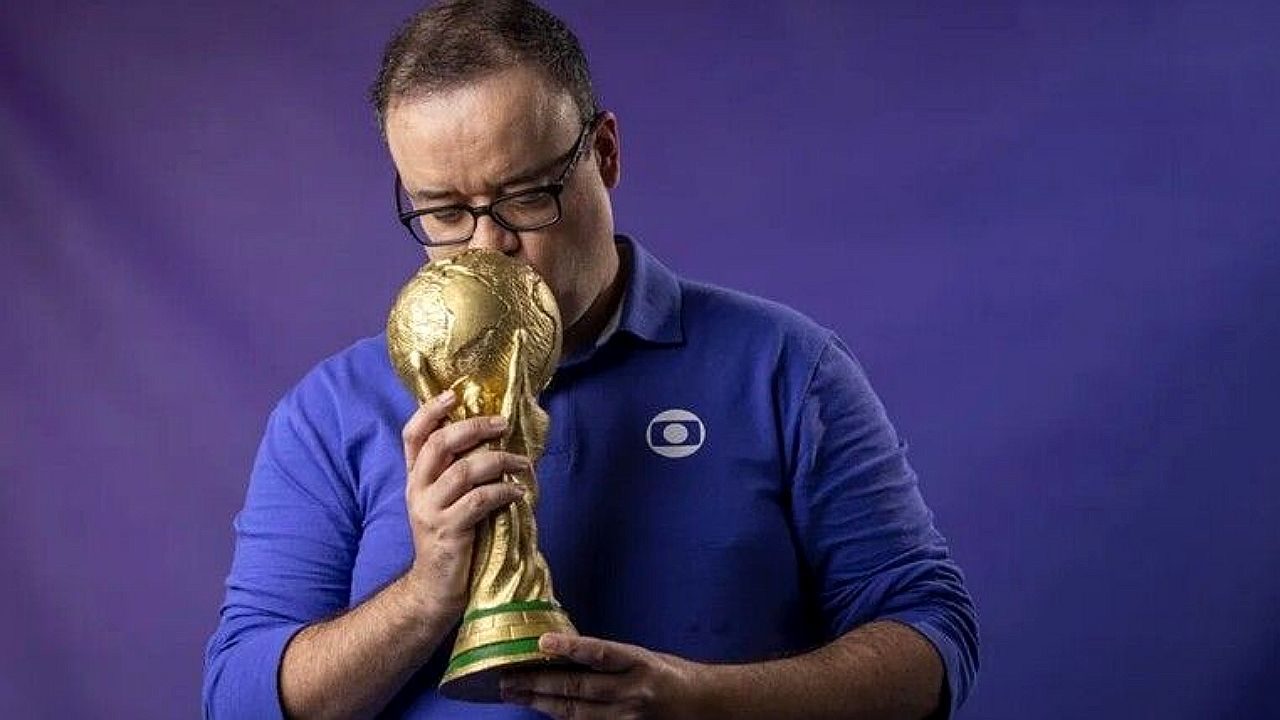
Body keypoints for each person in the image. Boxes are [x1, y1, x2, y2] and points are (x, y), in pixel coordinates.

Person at [202, 1, 979, 718]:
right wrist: (426, 592)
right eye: (443, 211)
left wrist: (702, 702)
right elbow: (235, 699)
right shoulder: (331, 409)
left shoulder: (785, 367)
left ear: (603, 154)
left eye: (526, 196)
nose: (489, 245)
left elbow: (932, 645)